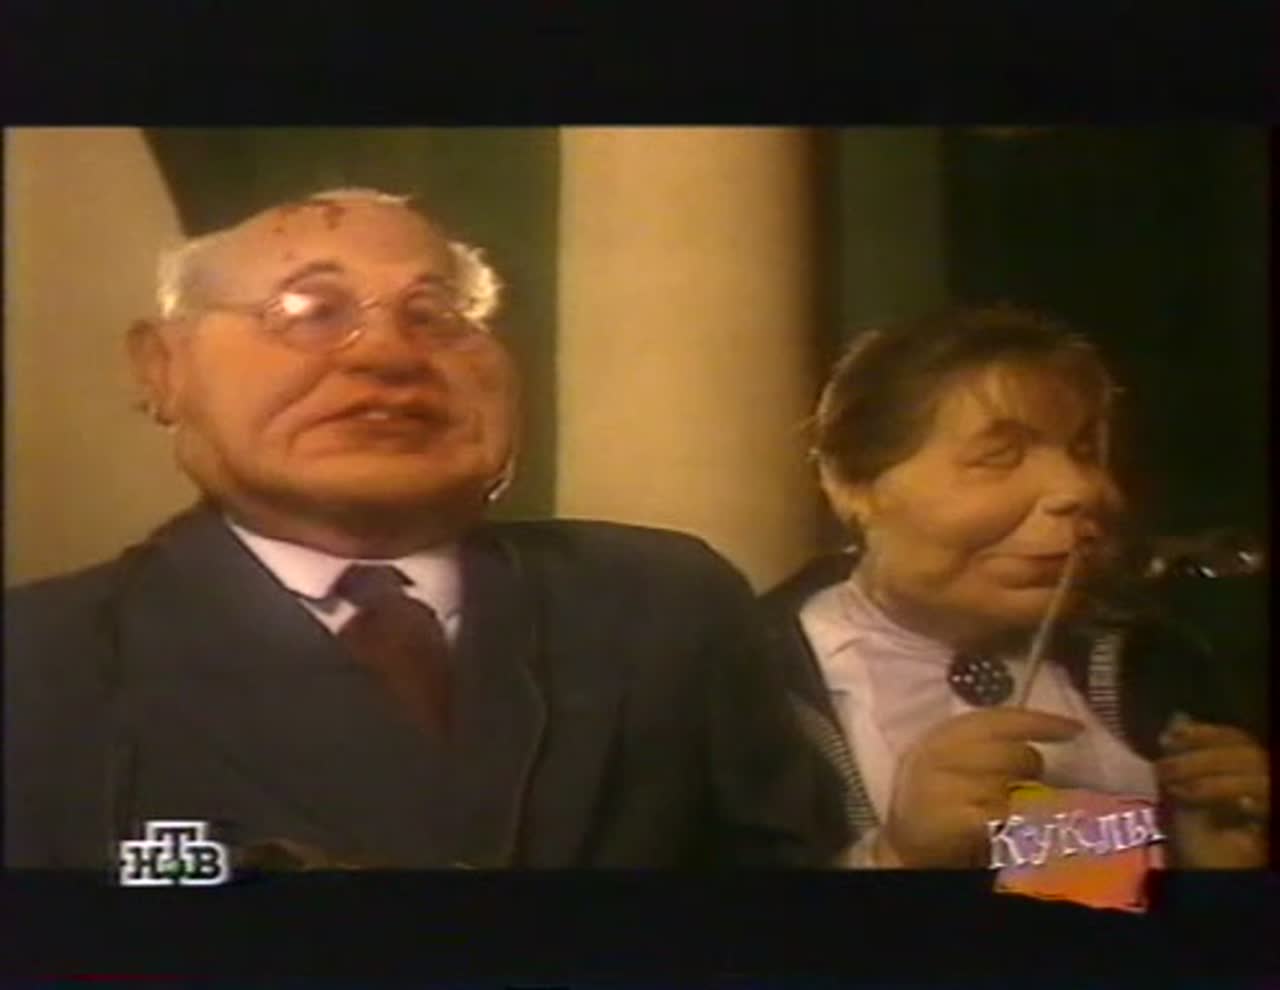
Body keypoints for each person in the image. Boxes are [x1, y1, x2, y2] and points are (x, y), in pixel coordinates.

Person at [5, 188, 844, 870]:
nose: (387, 355)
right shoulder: (40, 663)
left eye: (436, 314)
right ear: (162, 367)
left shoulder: (663, 605)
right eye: (310, 309)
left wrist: (900, 853)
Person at [762, 304, 1269, 869]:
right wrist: (893, 858)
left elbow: (1071, 880)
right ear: (852, 484)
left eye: (1084, 451)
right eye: (999, 457)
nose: (1080, 490)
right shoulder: (747, 685)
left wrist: (1207, 866)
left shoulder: (1161, 665)